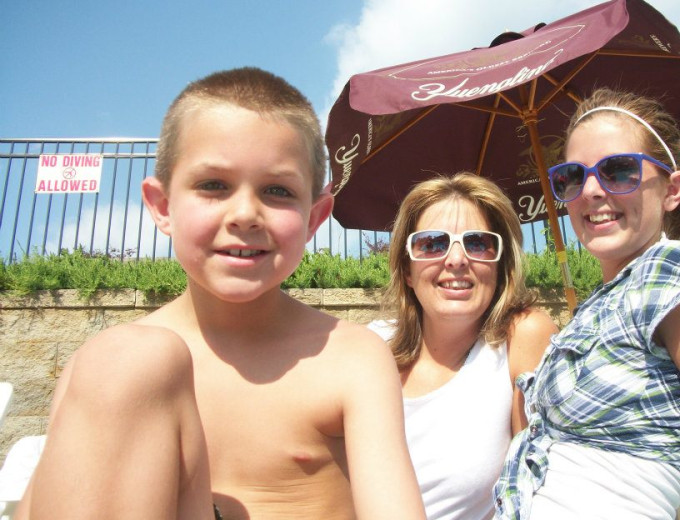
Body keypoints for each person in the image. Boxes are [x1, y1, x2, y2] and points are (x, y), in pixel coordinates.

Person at [16, 67, 425, 520]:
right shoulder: (109, 371)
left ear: (314, 219)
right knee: (125, 360)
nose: (245, 213)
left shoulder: (352, 357)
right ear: (163, 206)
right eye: (214, 185)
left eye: (277, 190)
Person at [493, 88, 680, 519]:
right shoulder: (613, 298)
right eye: (573, 177)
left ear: (672, 190)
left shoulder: (674, 274)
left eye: (619, 170)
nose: (592, 191)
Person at [368, 173, 558, 520]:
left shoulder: (520, 339)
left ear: (500, 266)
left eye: (478, 243)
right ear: (407, 269)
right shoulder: (370, 348)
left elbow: (537, 494)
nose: (456, 259)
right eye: (432, 243)